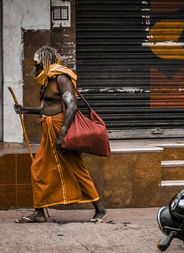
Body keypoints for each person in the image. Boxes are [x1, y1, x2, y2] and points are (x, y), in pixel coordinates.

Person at [14, 46, 107, 223]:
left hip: (60, 129)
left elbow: (71, 106)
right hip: (48, 131)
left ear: (46, 62)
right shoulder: (46, 81)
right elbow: (46, 108)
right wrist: (25, 110)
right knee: (38, 169)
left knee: (76, 169)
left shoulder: (61, 78)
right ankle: (39, 213)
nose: (35, 69)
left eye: (37, 65)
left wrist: (62, 135)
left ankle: (100, 210)